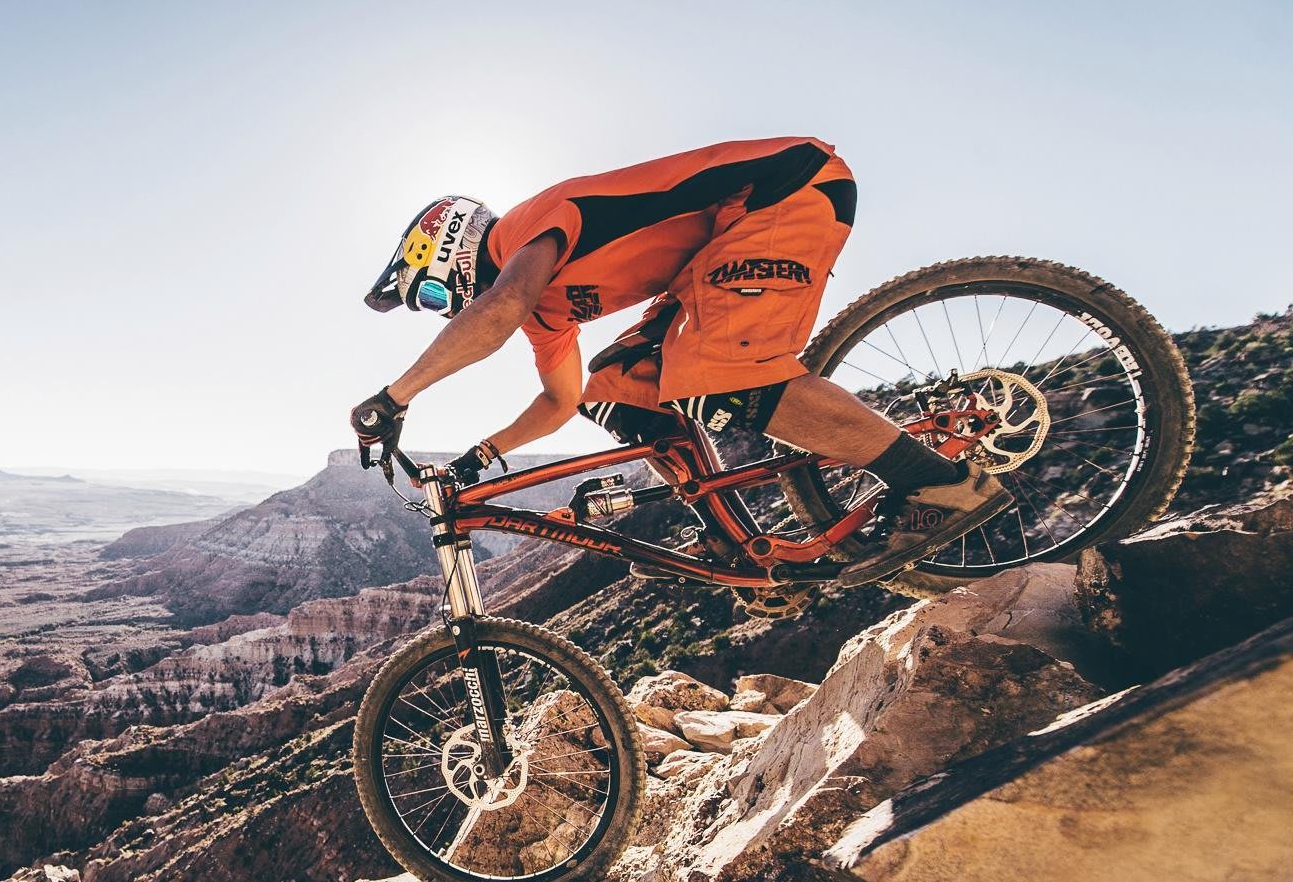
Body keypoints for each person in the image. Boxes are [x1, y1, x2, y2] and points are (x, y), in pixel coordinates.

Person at [351, 137, 1010, 586]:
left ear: (453, 250)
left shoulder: (528, 227)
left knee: (712, 377)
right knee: (618, 387)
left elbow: (495, 312)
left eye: (433, 293)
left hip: (781, 192)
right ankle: (732, 541)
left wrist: (395, 395)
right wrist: (483, 454)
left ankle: (936, 482)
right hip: (716, 251)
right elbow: (560, 399)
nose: (444, 312)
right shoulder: (544, 310)